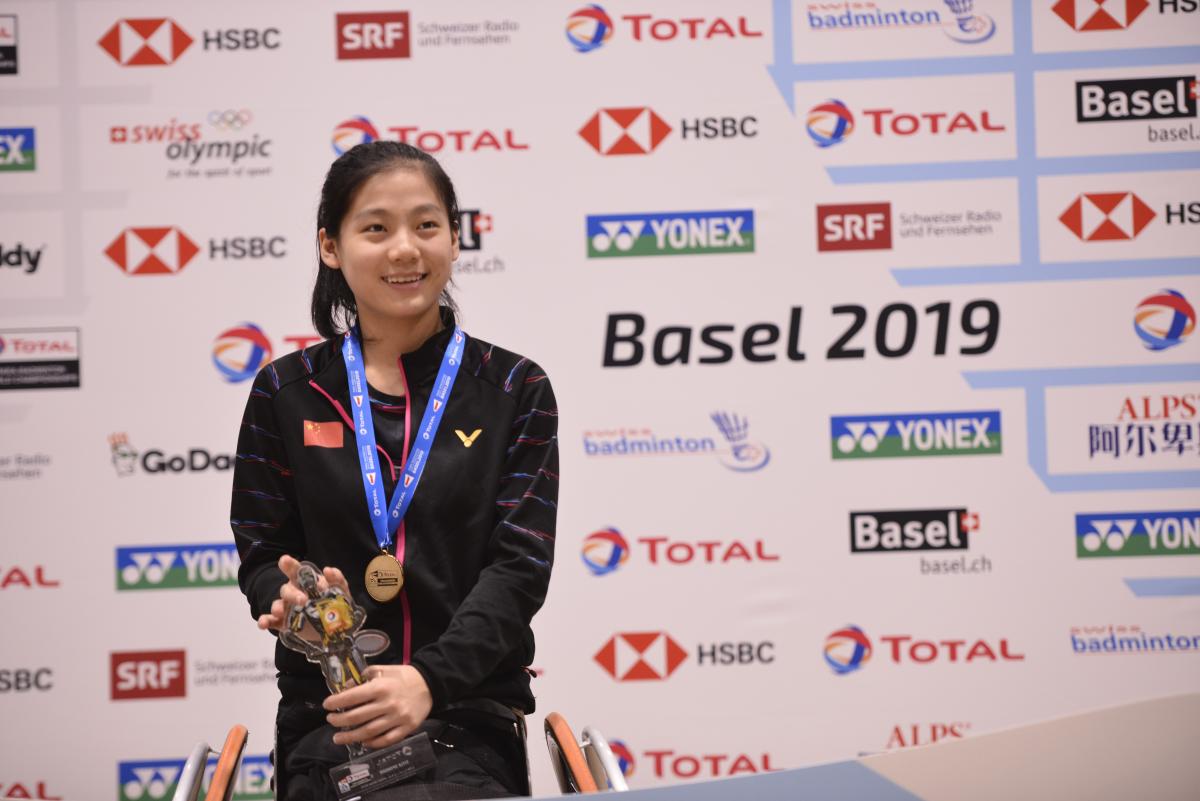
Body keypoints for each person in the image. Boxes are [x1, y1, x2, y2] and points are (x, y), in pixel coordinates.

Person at [231, 141, 558, 800]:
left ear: (456, 238)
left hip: (466, 720)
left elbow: (518, 569)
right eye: (376, 228)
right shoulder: (285, 390)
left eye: (426, 225)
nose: (405, 248)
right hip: (330, 722)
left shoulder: (514, 388)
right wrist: (285, 593)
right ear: (332, 245)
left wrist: (428, 681)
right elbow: (262, 551)